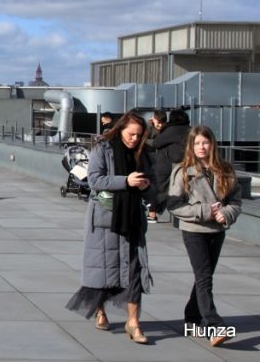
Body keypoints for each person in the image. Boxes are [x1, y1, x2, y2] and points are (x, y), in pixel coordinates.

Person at [66, 112, 153, 345]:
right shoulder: (102, 148)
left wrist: (146, 184)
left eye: (139, 135)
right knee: (103, 269)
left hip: (133, 217)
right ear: (120, 129)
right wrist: (126, 181)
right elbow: (95, 180)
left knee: (134, 271)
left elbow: (150, 178)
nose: (134, 139)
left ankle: (133, 322)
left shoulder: (142, 152)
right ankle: (100, 309)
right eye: (131, 134)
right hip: (106, 219)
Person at [167, 125, 242, 346]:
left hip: (217, 231)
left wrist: (227, 213)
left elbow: (235, 200)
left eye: (205, 142)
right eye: (197, 143)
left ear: (213, 144)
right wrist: (205, 211)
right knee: (205, 277)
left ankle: (191, 318)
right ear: (191, 145)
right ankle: (214, 326)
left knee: (203, 277)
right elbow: (174, 205)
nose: (201, 147)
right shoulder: (183, 171)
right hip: (194, 230)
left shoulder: (225, 169)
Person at [150, 109, 190, 222]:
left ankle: (152, 213)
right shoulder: (191, 130)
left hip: (167, 165)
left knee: (161, 189)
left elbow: (156, 142)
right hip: (186, 164)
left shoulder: (172, 130)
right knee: (182, 190)